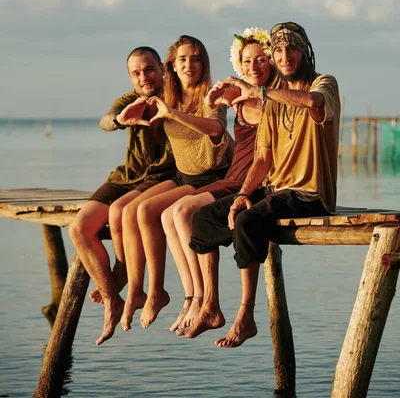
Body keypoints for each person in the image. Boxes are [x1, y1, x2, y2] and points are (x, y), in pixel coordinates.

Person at [185, 21, 340, 348]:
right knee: (203, 218)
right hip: (275, 189)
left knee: (249, 220)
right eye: (279, 50)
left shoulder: (324, 83)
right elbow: (262, 158)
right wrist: (242, 194)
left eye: (292, 48)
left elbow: (313, 102)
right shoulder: (272, 98)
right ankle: (210, 303)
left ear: (305, 51)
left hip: (310, 193)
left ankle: (246, 315)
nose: (285, 56)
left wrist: (261, 91)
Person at [161, 27, 276, 332]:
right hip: (234, 175)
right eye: (247, 61)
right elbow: (237, 141)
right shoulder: (238, 99)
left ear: (271, 62)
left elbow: (260, 141)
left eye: (261, 60)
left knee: (186, 210)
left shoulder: (276, 100)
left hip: (252, 180)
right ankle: (199, 298)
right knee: (175, 212)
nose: (253, 66)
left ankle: (206, 302)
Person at [118, 35, 233, 334]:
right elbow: (125, 104)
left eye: (195, 58)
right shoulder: (168, 92)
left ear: (204, 63)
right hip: (187, 177)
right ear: (172, 65)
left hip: (216, 175)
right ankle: (188, 295)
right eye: (182, 59)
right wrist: (125, 118)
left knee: (178, 215)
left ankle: (201, 299)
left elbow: (216, 127)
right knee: (148, 211)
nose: (189, 65)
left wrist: (172, 114)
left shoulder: (211, 93)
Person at [69, 46, 175, 346]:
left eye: (149, 69)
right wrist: (120, 120)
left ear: (162, 69)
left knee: (119, 211)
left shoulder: (176, 96)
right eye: (136, 73)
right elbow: (106, 120)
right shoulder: (131, 99)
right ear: (130, 77)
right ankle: (113, 298)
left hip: (160, 178)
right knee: (79, 229)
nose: (144, 77)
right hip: (127, 175)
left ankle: (122, 270)